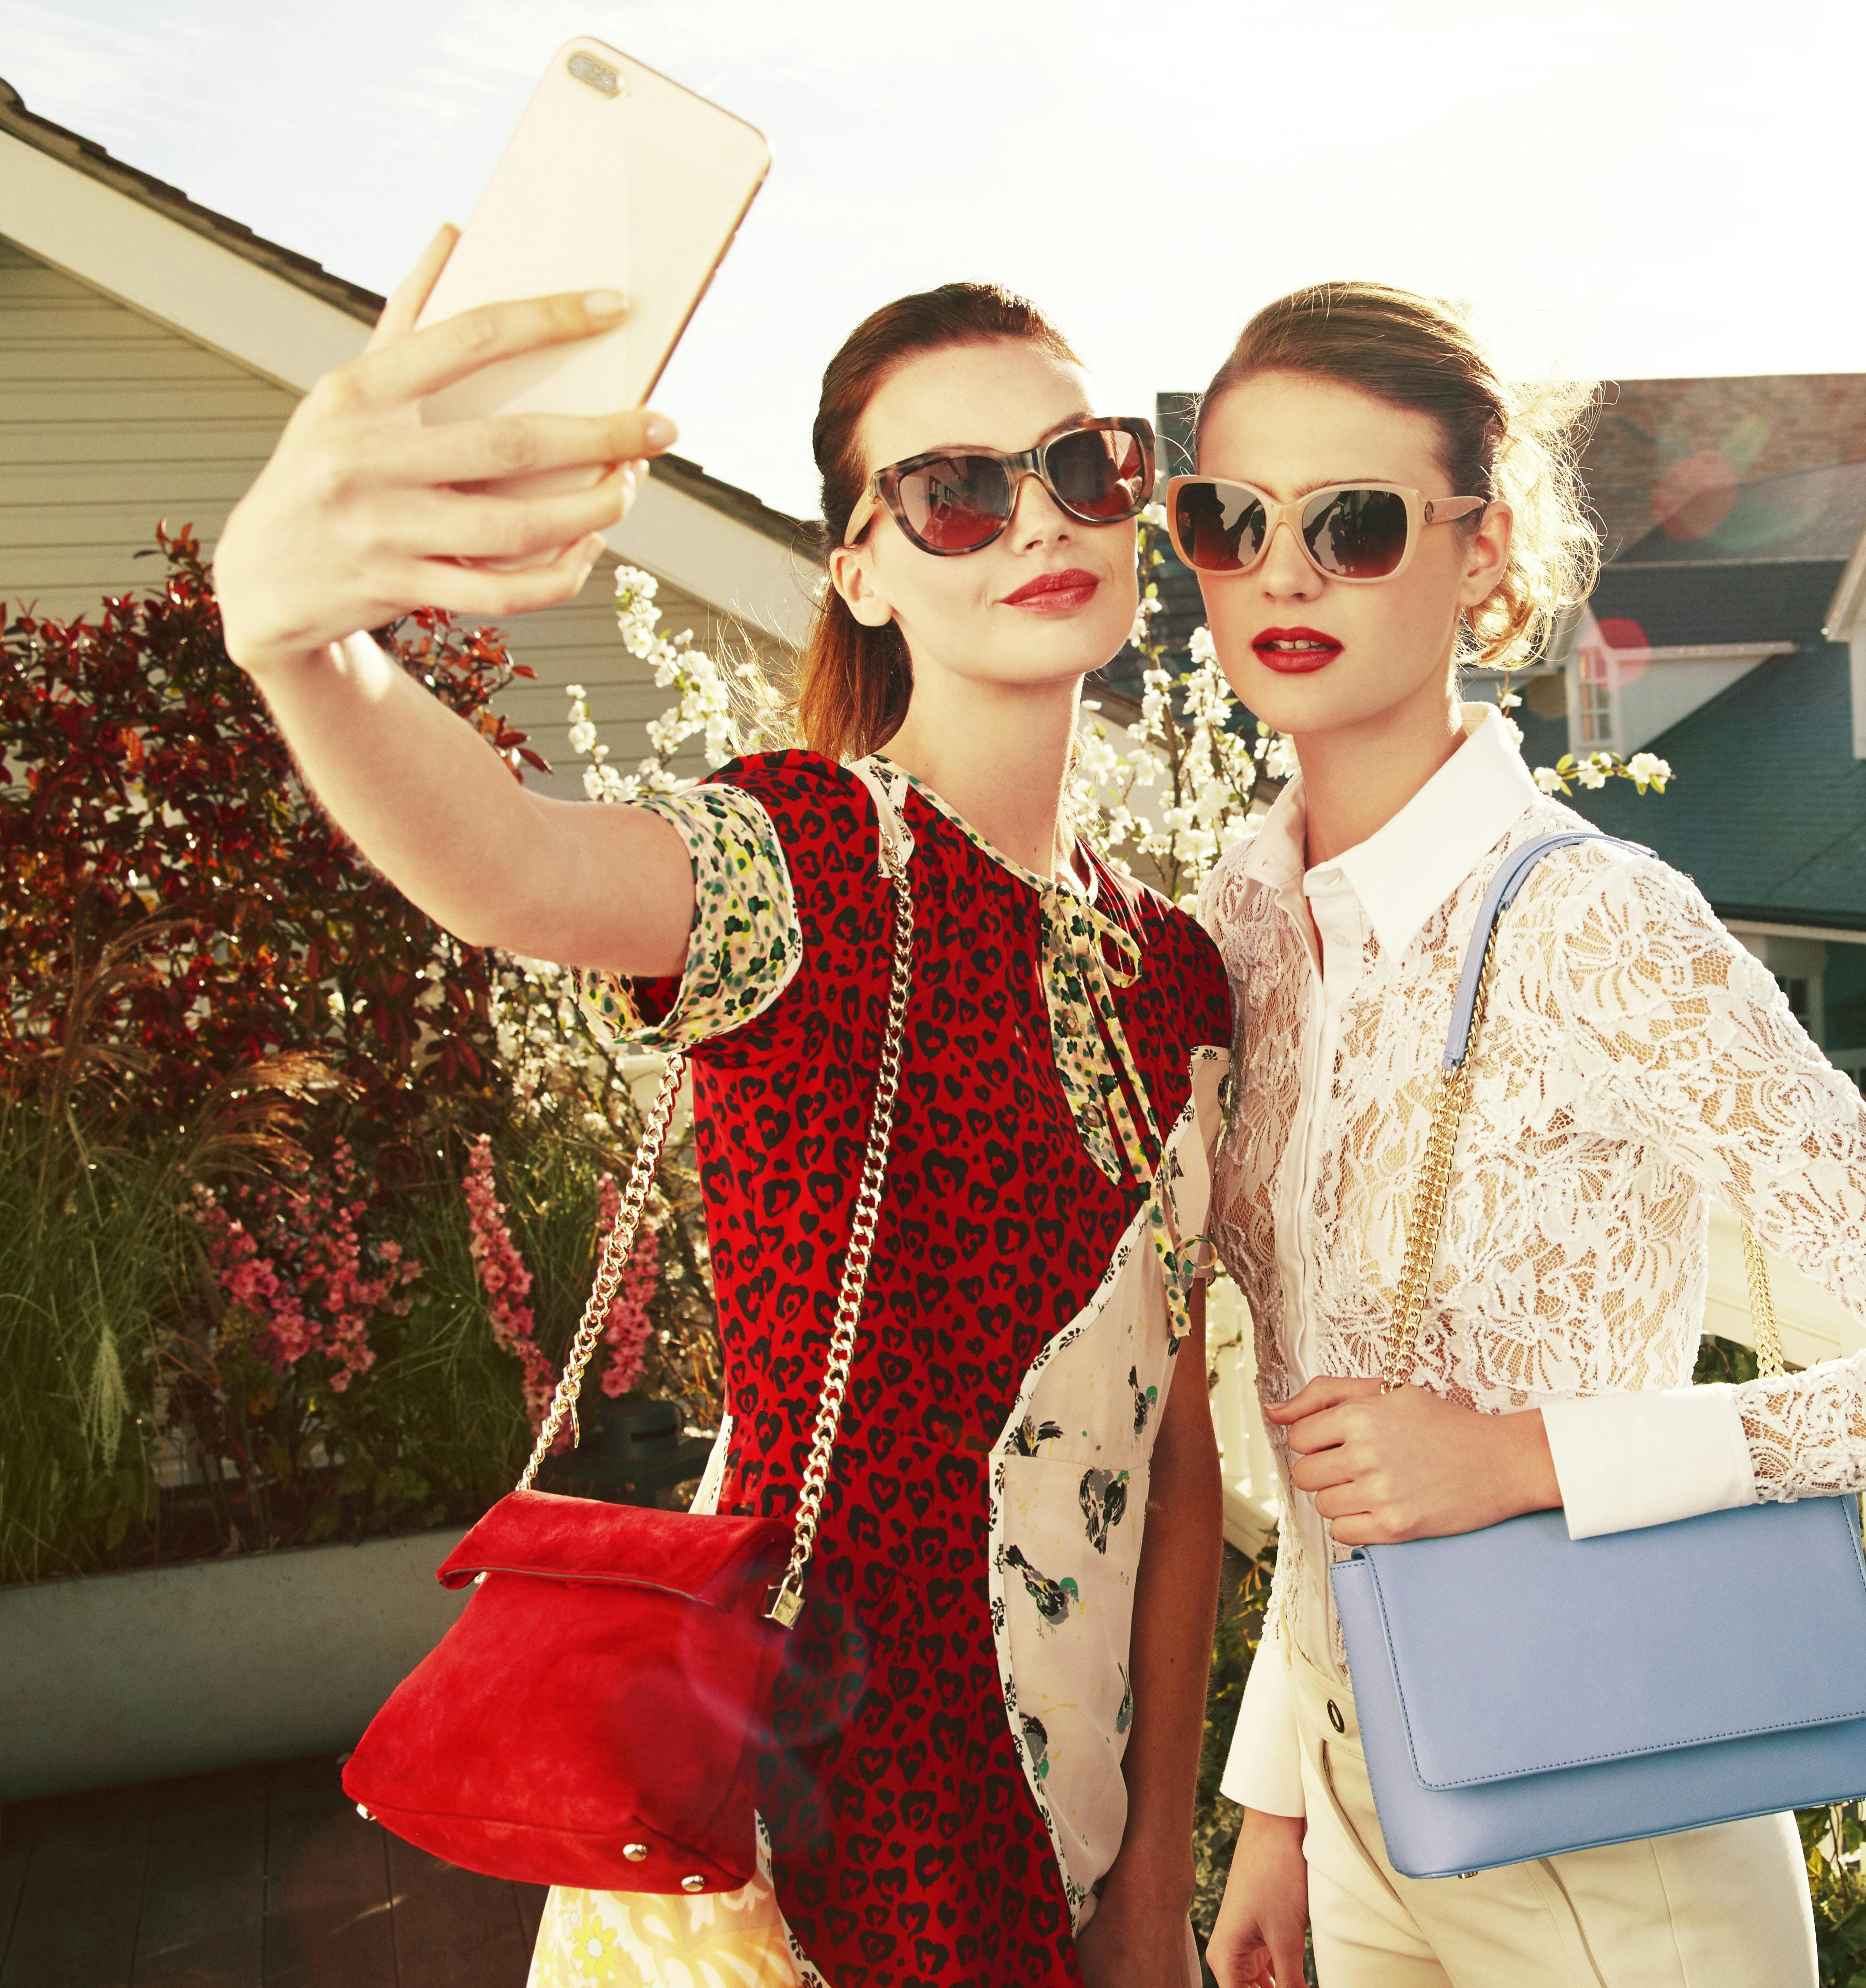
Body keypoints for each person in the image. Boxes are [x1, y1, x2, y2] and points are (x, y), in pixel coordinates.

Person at [213, 239, 1226, 1988]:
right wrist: (298, 640)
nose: (1043, 519)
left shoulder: (1180, 975)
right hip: (797, 1841)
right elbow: (515, 863)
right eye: (957, 493)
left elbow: (1181, 1455)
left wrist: (1151, 1883)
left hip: (1064, 1843)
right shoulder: (809, 856)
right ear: (862, 571)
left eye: (1083, 465)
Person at [1183, 283, 1866, 1988]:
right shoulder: (1240, 910)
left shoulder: (1600, 924)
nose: (1283, 573)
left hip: (1618, 1840)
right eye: (1231, 521)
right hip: (1371, 1802)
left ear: (1482, 550)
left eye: (1353, 522)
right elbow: (1330, 1434)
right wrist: (1279, 1806)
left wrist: (1526, 1460)